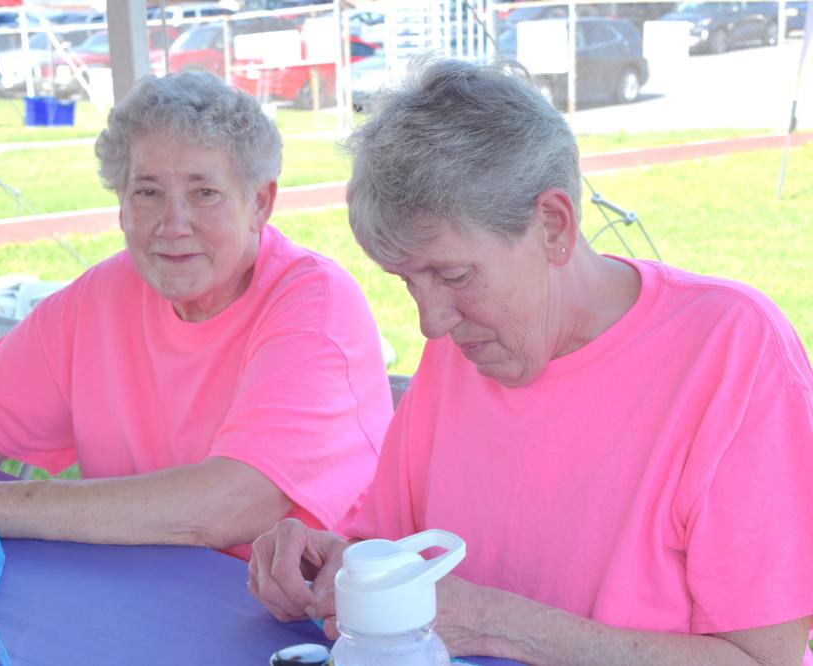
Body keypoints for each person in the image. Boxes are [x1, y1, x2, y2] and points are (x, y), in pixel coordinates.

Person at [248, 58, 813, 663]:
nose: (431, 322)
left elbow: (764, 658)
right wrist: (335, 568)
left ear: (552, 225)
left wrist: (498, 624)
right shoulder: (463, 348)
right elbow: (392, 550)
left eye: (454, 274)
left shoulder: (730, 350)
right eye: (408, 283)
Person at [0, 72, 393, 557]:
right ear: (121, 206)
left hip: (306, 622)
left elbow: (233, 503)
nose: (173, 223)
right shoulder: (106, 292)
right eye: (148, 192)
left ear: (260, 203)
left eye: (204, 193)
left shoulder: (314, 304)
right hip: (136, 595)